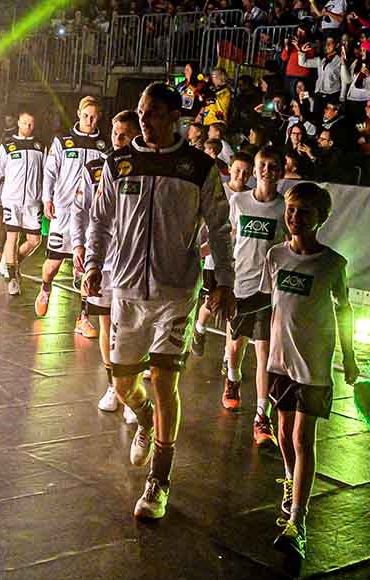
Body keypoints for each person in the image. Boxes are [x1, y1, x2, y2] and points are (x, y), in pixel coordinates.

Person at [83, 82, 236, 519]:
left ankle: (159, 480)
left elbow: (221, 230)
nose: (143, 119)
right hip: (126, 291)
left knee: (165, 381)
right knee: (122, 385)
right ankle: (145, 420)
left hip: (175, 293)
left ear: (174, 117)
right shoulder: (119, 163)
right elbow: (99, 221)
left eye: (152, 113)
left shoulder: (198, 167)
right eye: (140, 112)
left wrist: (223, 281)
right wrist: (94, 264)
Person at [260, 182, 358, 560]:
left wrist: (349, 356)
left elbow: (345, 310)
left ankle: (297, 521)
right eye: (291, 209)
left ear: (321, 218)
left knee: (303, 438)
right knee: (283, 434)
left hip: (313, 366)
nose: (294, 217)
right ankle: (291, 481)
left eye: (304, 211)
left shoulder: (332, 263)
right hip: (280, 363)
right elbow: (277, 308)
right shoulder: (275, 256)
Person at [72, 109, 140, 422]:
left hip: (131, 263)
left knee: (128, 328)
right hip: (102, 261)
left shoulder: (144, 168)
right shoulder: (96, 167)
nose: (118, 140)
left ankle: (131, 390)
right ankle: (114, 386)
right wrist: (78, 245)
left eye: (124, 135)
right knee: (103, 324)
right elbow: (81, 209)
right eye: (115, 134)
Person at [222, 147, 287, 448]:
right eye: (263, 165)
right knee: (236, 347)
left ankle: (262, 415)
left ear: (280, 172)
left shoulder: (284, 209)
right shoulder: (239, 201)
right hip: (241, 287)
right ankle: (232, 379)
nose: (266, 171)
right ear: (256, 169)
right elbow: (231, 236)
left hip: (268, 291)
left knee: (265, 353)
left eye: (273, 167)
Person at [36, 96, 106, 340]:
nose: (89, 120)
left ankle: (83, 317)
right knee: (53, 266)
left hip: (89, 216)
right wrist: (47, 199)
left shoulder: (103, 145)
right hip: (64, 212)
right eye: (86, 115)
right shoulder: (63, 141)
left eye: (94, 116)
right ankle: (45, 289)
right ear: (78, 113)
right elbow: (50, 171)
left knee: (86, 269)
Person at [192, 151, 254, 359]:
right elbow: (213, 231)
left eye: (246, 173)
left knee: (231, 309)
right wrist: (201, 251)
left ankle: (229, 357)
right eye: (237, 171)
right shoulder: (221, 193)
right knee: (211, 304)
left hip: (239, 263)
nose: (241, 176)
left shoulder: (250, 198)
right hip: (215, 261)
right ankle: (199, 329)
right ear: (230, 169)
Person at [0, 110, 45, 296]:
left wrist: (47, 196)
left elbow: (46, 174)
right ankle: (12, 278)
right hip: (12, 200)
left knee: (35, 240)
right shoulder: (8, 145)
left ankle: (9, 262)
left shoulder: (40, 146)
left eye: (31, 123)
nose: (28, 127)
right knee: (12, 237)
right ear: (18, 122)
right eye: (25, 123)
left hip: (33, 202)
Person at [297, 35, 343, 116]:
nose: (327, 45)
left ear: (337, 45)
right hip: (318, 95)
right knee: (316, 120)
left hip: (332, 96)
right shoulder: (322, 59)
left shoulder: (340, 60)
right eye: (326, 43)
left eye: (330, 43)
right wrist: (302, 52)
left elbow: (344, 81)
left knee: (328, 121)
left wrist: (341, 98)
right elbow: (302, 63)